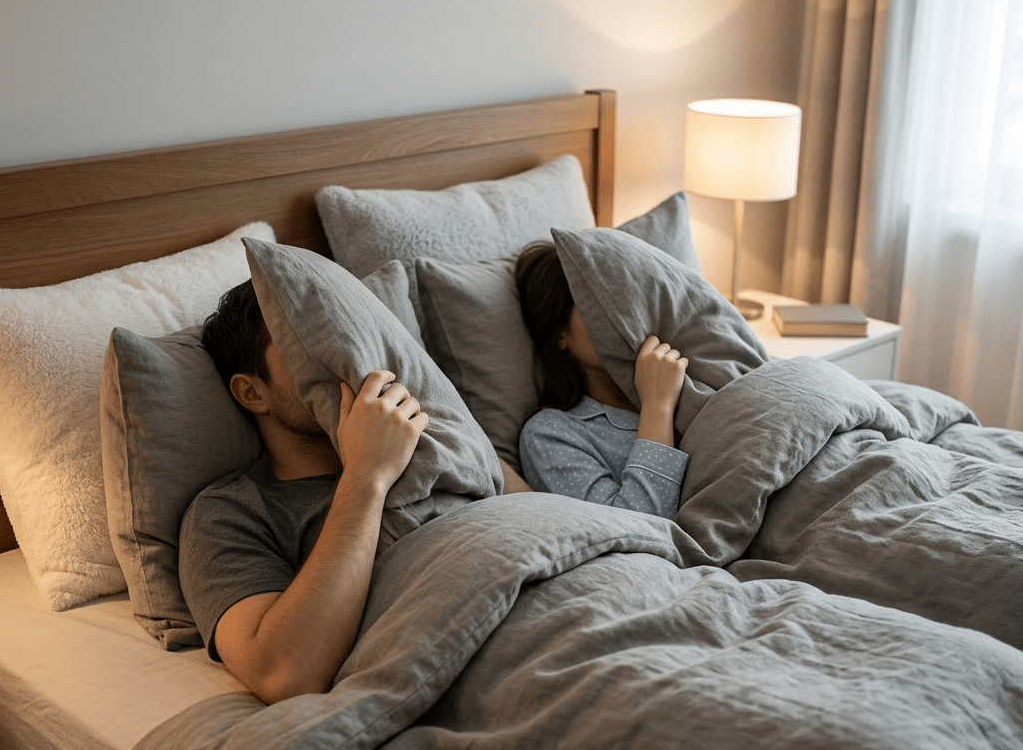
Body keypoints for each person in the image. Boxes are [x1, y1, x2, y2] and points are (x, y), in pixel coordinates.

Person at [179, 279, 524, 706]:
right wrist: (367, 475)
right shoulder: (228, 514)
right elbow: (283, 672)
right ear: (252, 392)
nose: (341, 355)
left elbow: (543, 522)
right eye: (305, 346)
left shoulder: (440, 436)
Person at [515, 241, 690, 520]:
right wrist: (658, 407)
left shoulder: (691, 376)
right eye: (598, 304)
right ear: (560, 332)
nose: (625, 316)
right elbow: (633, 525)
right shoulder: (551, 433)